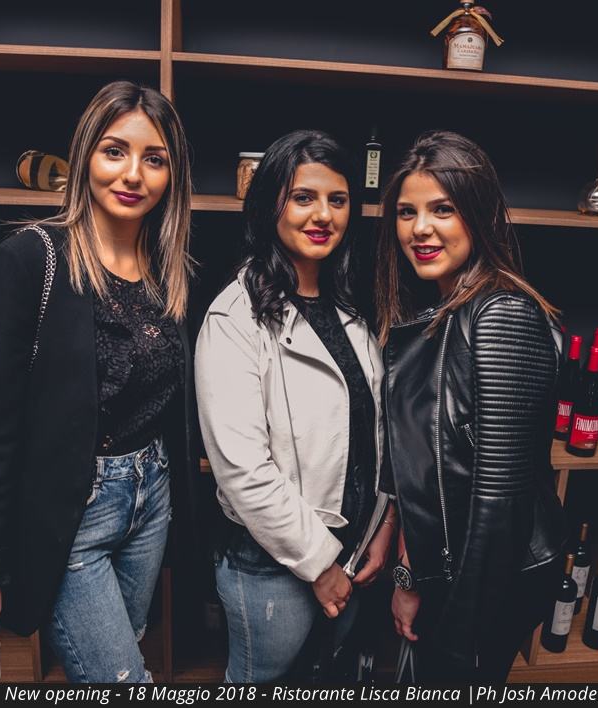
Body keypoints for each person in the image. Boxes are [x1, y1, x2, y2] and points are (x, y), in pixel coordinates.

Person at [0, 81, 196, 684]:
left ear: (172, 175)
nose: (133, 174)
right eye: (114, 151)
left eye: (154, 159)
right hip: (71, 514)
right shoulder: (31, 257)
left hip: (151, 500)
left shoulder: (170, 270)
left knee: (123, 651)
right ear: (85, 156)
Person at [195, 129, 396, 683]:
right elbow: (244, 472)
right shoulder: (234, 318)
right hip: (274, 566)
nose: (323, 215)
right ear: (270, 206)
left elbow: (372, 434)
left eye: (338, 199)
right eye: (303, 197)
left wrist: (383, 522)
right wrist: (320, 564)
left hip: (353, 551)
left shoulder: (350, 306)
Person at [374, 130, 568, 682]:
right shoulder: (441, 314)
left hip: (485, 588)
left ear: (478, 215)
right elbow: (423, 474)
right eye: (407, 212)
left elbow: (499, 505)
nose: (420, 228)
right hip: (446, 573)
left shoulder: (500, 313)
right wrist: (409, 577)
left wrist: (459, 641)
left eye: (443, 209)